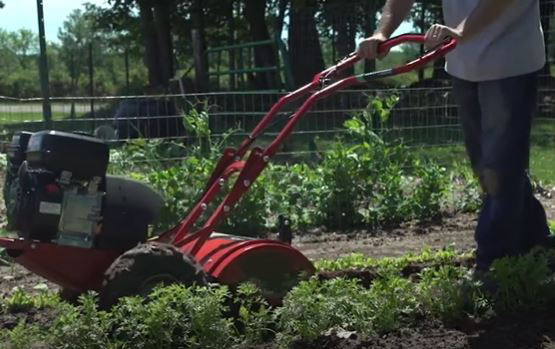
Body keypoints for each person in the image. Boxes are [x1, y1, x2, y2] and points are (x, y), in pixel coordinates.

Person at [358, 0, 553, 272]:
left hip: (510, 61)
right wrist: (382, 32)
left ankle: (493, 265)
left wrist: (461, 30)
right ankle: (538, 244)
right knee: (490, 168)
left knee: (499, 168)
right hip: (463, 64)